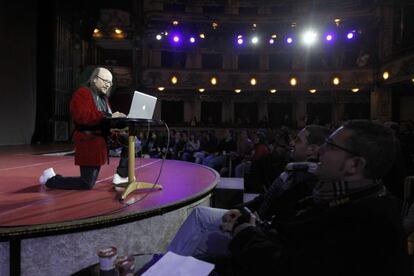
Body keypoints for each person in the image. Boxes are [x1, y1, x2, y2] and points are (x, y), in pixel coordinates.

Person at [224, 120, 408, 276]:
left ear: (354, 164)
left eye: (330, 146)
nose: (320, 151)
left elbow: (287, 268)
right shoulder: (344, 197)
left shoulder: (369, 223)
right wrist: (252, 225)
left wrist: (245, 232)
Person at [167, 125, 331, 261]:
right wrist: (240, 209)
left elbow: (276, 226)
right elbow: (265, 199)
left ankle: (170, 267)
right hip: (252, 219)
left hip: (259, 232)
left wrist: (241, 224)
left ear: (312, 150)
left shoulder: (307, 182)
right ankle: (169, 264)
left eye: (298, 140)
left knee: (204, 239)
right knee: (199, 214)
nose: (292, 143)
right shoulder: (293, 170)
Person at [39, 67, 130, 190]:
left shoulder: (104, 98)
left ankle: (121, 175)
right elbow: (83, 116)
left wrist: (119, 121)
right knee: (86, 183)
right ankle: (50, 179)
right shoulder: (82, 93)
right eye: (105, 81)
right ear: (94, 80)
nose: (108, 85)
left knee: (129, 140)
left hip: (103, 138)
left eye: (110, 83)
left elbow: (105, 120)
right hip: (89, 140)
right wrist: (109, 116)